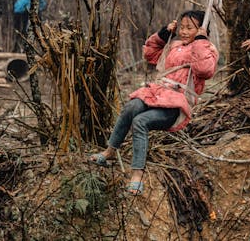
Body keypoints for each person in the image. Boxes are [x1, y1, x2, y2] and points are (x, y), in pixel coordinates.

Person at [89, 10, 219, 195]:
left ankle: (136, 175)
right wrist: (165, 33)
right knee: (132, 106)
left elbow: (205, 70)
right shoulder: (174, 46)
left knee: (140, 122)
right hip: (158, 94)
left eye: (190, 28)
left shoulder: (207, 49)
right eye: (182, 27)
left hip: (176, 104)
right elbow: (150, 54)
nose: (183, 31)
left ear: (201, 30)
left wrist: (200, 41)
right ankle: (110, 151)